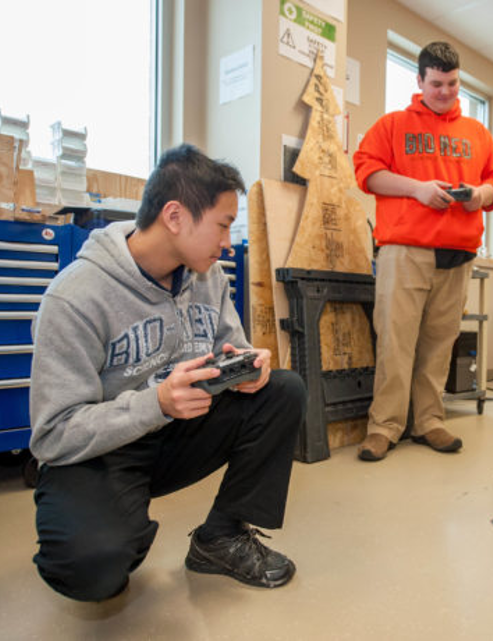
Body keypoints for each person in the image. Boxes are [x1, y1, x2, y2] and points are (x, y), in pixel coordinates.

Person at [29, 145, 306, 602]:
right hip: (101, 452)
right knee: (93, 568)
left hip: (176, 430)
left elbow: (226, 349)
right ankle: (110, 524)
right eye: (222, 226)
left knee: (282, 390)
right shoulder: (74, 298)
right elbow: (52, 435)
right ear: (175, 216)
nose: (227, 243)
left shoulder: (209, 276)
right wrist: (154, 403)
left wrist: (245, 368)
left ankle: (219, 537)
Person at [352, 41, 493, 462]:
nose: (446, 92)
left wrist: (479, 194)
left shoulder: (477, 133)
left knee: (440, 343)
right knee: (395, 342)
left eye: (453, 83)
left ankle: (429, 421)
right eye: (437, 83)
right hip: (406, 250)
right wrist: (418, 189)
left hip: (458, 253)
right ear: (419, 81)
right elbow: (367, 173)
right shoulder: (393, 125)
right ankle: (384, 427)